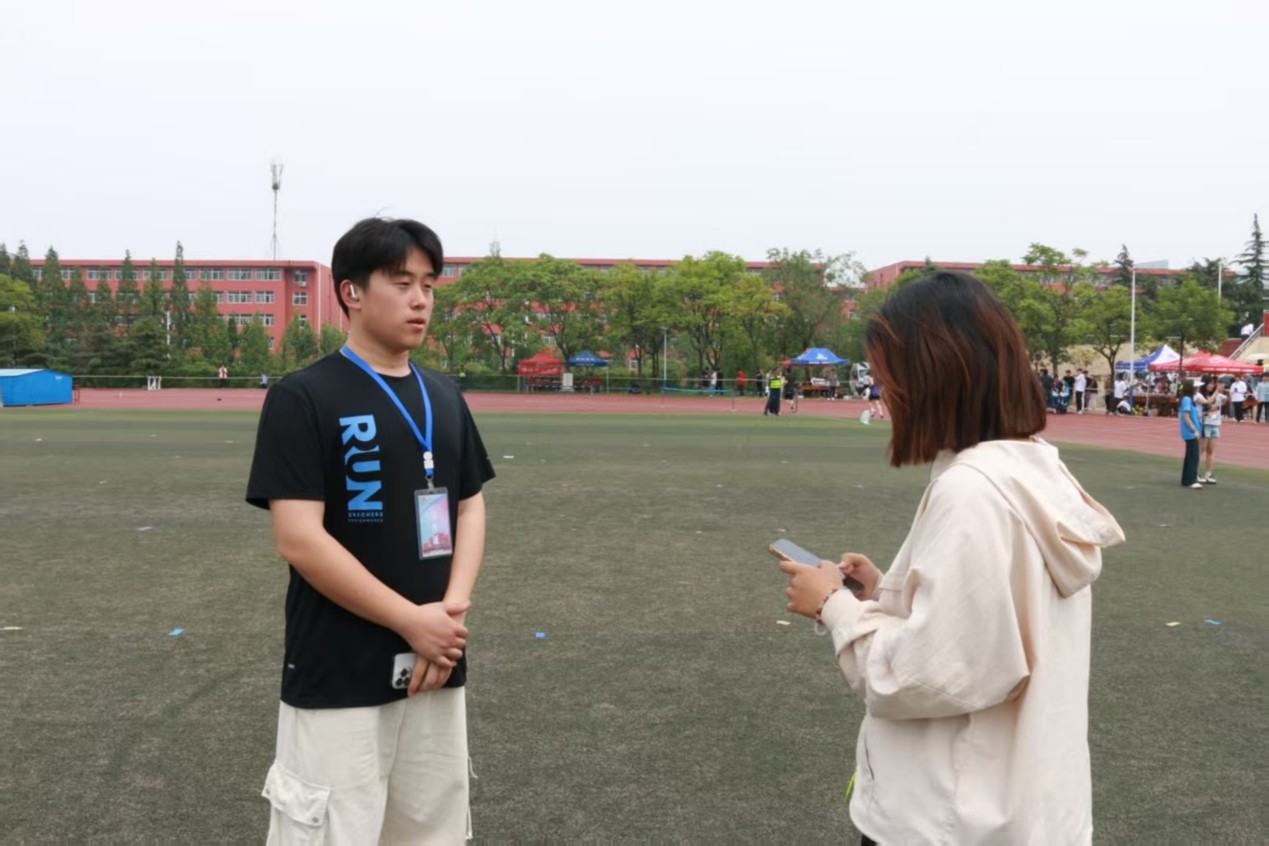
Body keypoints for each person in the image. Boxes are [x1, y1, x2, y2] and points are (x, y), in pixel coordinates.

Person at [778, 271, 1123, 844]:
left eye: (888, 376)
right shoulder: (1030, 469)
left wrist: (834, 606)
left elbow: (925, 675)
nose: (883, 393)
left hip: (950, 821)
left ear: (931, 376)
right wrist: (886, 592)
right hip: (1025, 811)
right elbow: (991, 622)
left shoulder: (972, 490)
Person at [246, 217, 495, 842]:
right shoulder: (304, 396)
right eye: (402, 283)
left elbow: (469, 506)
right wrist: (410, 620)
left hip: (436, 663)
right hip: (339, 670)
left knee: (432, 830)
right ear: (351, 292)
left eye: (429, 285)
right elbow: (298, 538)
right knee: (332, 830)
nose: (420, 300)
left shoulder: (444, 395)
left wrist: (447, 617)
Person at [1178, 379, 1203, 488]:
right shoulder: (1187, 399)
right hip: (1191, 433)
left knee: (1190, 456)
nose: (1197, 389)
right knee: (1193, 456)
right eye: (1195, 387)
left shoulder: (1189, 399)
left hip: (1192, 431)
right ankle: (1191, 480)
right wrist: (1194, 430)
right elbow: (1186, 417)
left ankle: (1187, 479)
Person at [1199, 381, 1225, 484]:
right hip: (1205, 424)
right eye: (1208, 383)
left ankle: (1208, 474)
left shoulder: (1218, 395)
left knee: (1211, 451)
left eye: (1212, 384)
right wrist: (1216, 393)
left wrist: (1221, 392)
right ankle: (1195, 473)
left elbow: (1225, 400)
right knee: (1201, 450)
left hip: (1215, 424)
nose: (1211, 386)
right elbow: (1207, 405)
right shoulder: (1201, 396)